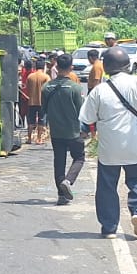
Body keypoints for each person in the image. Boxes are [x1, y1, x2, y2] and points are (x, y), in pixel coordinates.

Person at [79, 45, 137, 238]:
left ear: (107, 67)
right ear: (127, 65)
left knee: (107, 187)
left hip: (109, 148)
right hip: (134, 146)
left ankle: (109, 228)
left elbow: (86, 119)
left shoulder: (99, 90)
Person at [41, 52, 87, 205]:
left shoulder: (46, 87)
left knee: (59, 162)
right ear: (71, 68)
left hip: (56, 131)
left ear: (56, 66)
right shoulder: (75, 88)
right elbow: (81, 111)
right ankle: (68, 181)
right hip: (73, 130)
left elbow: (44, 110)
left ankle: (61, 196)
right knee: (79, 158)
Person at [24, 58, 51, 144]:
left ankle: (29, 138)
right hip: (42, 102)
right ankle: (39, 139)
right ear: (44, 67)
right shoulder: (46, 77)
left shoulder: (30, 76)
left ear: (35, 66)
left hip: (31, 101)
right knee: (41, 120)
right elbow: (48, 89)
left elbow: (27, 88)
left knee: (31, 120)